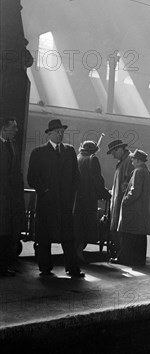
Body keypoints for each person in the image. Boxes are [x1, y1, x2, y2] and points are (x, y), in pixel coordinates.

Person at [27, 119, 84, 277]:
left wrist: (71, 192)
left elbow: (76, 176)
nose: (61, 134)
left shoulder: (70, 151)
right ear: (49, 134)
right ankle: (45, 268)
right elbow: (32, 177)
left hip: (65, 203)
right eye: (57, 132)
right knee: (45, 237)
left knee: (68, 237)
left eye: (62, 132)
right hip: (47, 203)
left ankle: (73, 269)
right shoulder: (38, 153)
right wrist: (44, 190)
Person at [113, 149, 150, 266]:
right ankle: (139, 260)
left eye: (133, 159)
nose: (131, 161)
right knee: (140, 236)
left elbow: (134, 191)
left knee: (128, 235)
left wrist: (125, 201)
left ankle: (124, 259)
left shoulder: (138, 171)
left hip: (133, 209)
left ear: (138, 160)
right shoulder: (147, 172)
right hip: (142, 210)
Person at [73, 141, 111, 262]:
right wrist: (104, 193)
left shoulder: (78, 157)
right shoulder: (92, 159)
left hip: (77, 199)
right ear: (94, 150)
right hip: (88, 199)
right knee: (86, 227)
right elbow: (97, 180)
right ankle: (79, 253)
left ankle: (74, 252)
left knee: (77, 226)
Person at [0, 117, 25, 277]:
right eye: (13, 127)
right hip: (2, 197)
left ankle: (4, 265)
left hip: (10, 199)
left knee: (7, 233)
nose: (16, 130)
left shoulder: (12, 145)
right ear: (4, 128)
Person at [107, 139, 134, 259]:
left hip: (123, 202)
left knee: (123, 229)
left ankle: (123, 255)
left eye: (114, 152)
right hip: (118, 200)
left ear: (120, 149)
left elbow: (128, 183)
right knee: (119, 228)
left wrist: (124, 198)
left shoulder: (129, 161)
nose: (113, 155)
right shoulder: (123, 161)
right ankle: (121, 253)